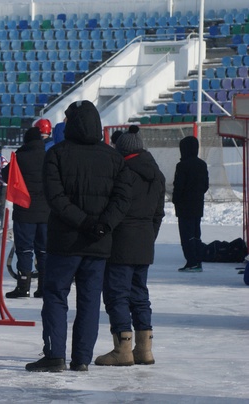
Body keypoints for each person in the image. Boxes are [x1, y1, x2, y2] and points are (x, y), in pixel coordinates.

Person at [26, 100, 132, 373]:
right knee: (89, 299)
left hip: (64, 241)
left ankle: (55, 355)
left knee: (55, 296)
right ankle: (82, 358)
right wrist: (102, 225)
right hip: (98, 242)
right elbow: (122, 199)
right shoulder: (114, 158)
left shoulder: (57, 154)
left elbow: (56, 198)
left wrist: (83, 222)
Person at [95, 129, 165, 367]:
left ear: (123, 150)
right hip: (145, 241)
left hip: (122, 241)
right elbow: (158, 213)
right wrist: (148, 237)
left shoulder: (122, 172)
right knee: (140, 295)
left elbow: (115, 207)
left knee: (117, 294)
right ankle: (144, 349)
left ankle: (122, 349)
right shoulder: (157, 174)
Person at [1, 127, 49, 299]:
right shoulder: (49, 157)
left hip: (24, 212)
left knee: (25, 250)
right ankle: (43, 287)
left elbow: (5, 175)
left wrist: (20, 153)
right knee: (44, 251)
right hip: (46, 213)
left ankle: (23, 286)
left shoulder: (20, 158)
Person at [173, 135, 209, 272]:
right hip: (198, 204)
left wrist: (176, 200)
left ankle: (191, 261)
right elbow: (205, 185)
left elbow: (179, 186)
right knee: (196, 234)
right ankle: (197, 260)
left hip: (184, 206)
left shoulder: (182, 166)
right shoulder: (202, 164)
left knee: (186, 235)